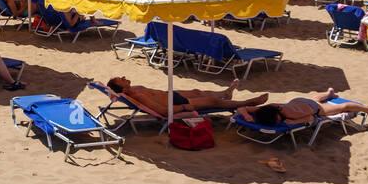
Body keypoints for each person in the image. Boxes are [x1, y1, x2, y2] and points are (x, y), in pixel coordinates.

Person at [106, 77, 268, 115]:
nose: (124, 77)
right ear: (122, 88)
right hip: (177, 102)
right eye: (122, 79)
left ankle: (225, 93)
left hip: (170, 94)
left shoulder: (134, 88)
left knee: (197, 91)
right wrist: (184, 107)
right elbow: (162, 110)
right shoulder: (138, 96)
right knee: (212, 102)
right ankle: (248, 102)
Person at [235, 89, 368, 127]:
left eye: (276, 121)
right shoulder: (268, 108)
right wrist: (247, 115)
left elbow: (311, 117)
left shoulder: (291, 115)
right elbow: (242, 108)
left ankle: (367, 109)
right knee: (314, 98)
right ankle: (329, 93)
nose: (278, 122)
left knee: (341, 107)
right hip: (298, 101)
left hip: (313, 108)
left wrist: (295, 122)